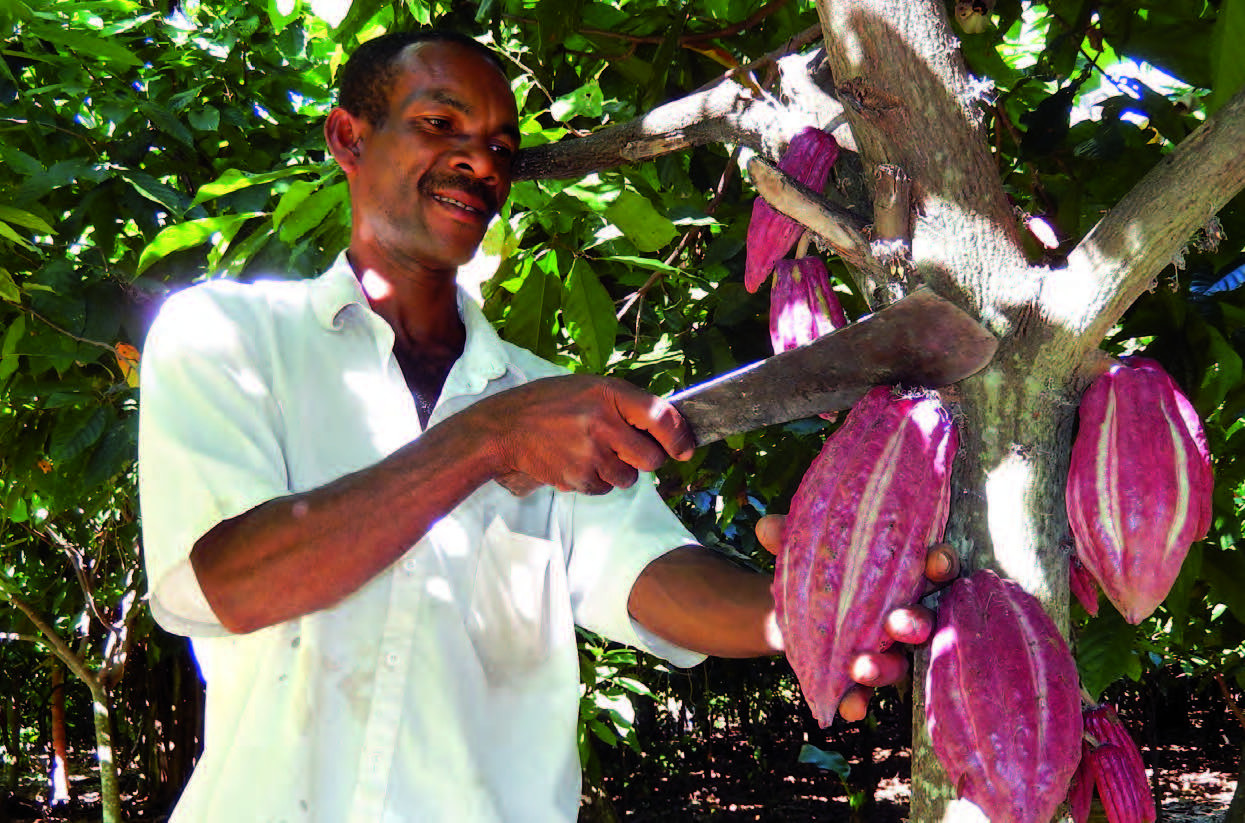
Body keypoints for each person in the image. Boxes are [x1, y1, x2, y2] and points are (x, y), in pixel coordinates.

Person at [137, 29, 956, 823]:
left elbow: (643, 571)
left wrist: (805, 610)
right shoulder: (228, 336)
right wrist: (486, 439)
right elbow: (230, 582)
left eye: (500, 146)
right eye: (439, 124)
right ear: (347, 137)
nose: (479, 162)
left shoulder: (543, 401)